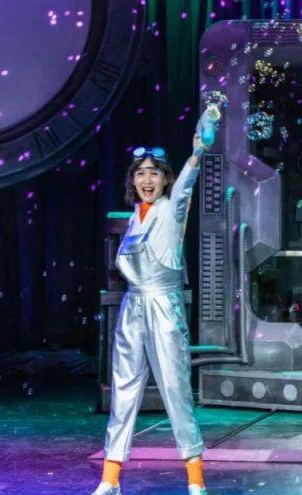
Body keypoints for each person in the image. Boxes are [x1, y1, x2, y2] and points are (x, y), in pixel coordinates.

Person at [91, 105, 221, 495]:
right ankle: (110, 480)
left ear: (165, 179)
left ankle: (196, 481)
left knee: (176, 390)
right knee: (124, 390)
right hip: (133, 309)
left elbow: (187, 184)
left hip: (164, 307)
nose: (147, 180)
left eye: (154, 173)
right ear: (133, 180)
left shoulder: (171, 209)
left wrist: (198, 150)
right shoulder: (135, 217)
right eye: (140, 173)